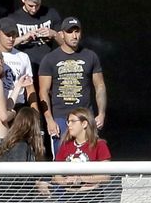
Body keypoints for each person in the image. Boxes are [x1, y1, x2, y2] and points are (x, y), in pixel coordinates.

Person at [39, 17, 106, 159]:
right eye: (70, 32)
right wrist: (49, 120)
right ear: (62, 34)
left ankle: (87, 182)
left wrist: (101, 113)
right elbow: (43, 91)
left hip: (85, 116)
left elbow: (99, 86)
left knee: (89, 156)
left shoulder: (90, 56)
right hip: (61, 117)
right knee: (61, 158)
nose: (74, 35)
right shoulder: (50, 59)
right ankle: (62, 182)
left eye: (77, 31)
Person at [1, 0, 64, 75]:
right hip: (22, 66)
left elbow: (65, 44)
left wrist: (54, 34)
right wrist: (23, 37)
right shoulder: (13, 18)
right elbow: (2, 46)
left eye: (37, 5)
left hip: (46, 66)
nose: (34, 9)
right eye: (30, 6)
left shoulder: (51, 14)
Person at [0, 21, 35, 110]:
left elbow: (30, 87)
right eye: (7, 35)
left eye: (14, 35)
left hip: (18, 105)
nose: (11, 39)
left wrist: (35, 111)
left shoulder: (23, 57)